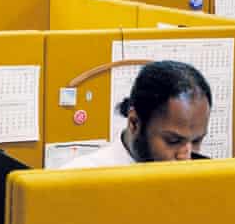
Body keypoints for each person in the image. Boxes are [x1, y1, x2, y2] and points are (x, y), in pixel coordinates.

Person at [60, 60, 212, 168]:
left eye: (196, 141)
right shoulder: (81, 178)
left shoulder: (204, 179)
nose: (186, 156)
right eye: (172, 141)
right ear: (134, 122)